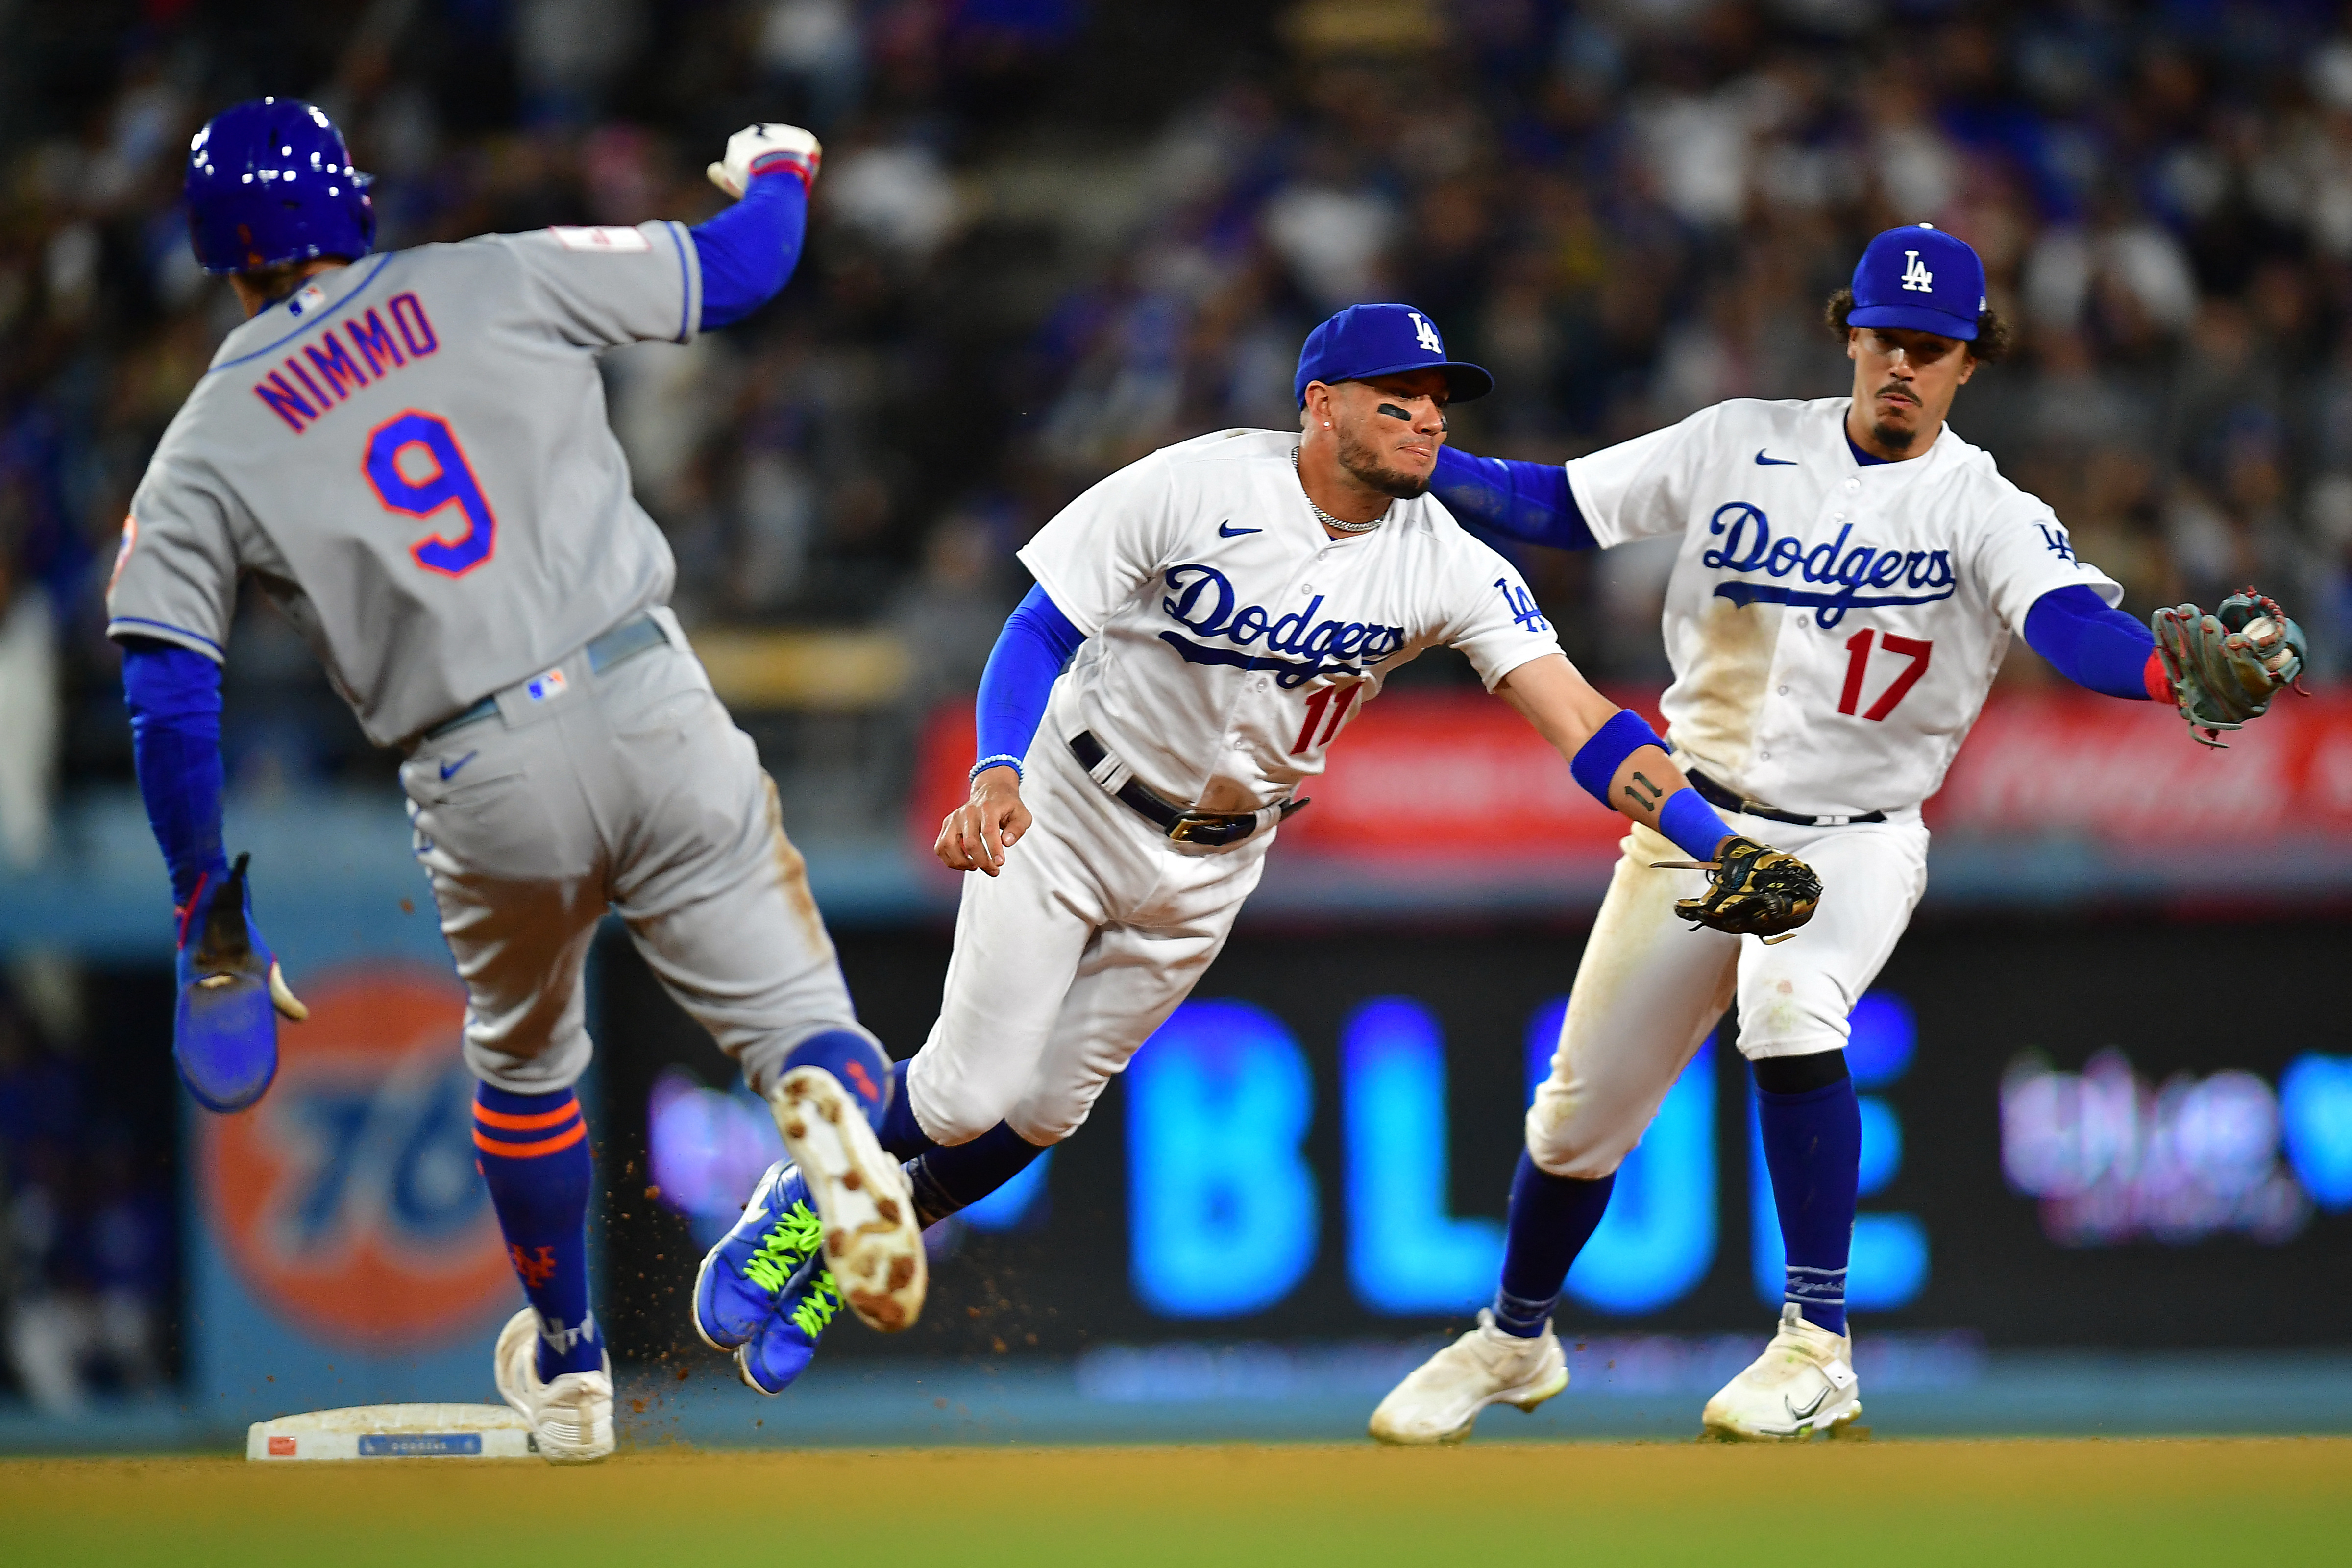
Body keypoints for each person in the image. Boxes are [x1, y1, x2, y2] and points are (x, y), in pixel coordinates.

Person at [691, 302, 1822, 1391]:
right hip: (1072, 806)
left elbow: (1580, 719)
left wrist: (1713, 841)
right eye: (1401, 398)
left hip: (1217, 861)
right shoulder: (1199, 483)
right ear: (1321, 406)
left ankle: (851, 1254)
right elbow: (1039, 623)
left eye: (1440, 399)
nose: (1430, 417)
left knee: (1042, 1114)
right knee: (960, 1097)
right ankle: (799, 1203)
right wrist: (995, 767)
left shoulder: (1448, 561)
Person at [1368, 224, 2305, 1444]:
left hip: (1850, 839)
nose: (1906, 362)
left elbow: (2070, 624)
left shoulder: (1984, 505)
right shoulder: (1738, 439)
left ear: (1973, 361)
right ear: (1849, 334)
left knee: (1791, 1006)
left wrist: (2167, 674)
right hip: (1691, 822)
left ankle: (1818, 1345)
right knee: (1575, 1118)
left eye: (1936, 345)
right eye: (1888, 336)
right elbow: (1557, 503)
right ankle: (1514, 1338)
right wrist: (1421, 460)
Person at [105, 98, 925, 1462]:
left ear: (214, 250)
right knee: (797, 1018)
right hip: (649, 688)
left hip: (476, 761)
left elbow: (167, 690)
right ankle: (823, 1108)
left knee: (526, 1060)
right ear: (351, 205)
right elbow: (742, 269)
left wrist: (203, 899)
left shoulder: (204, 443)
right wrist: (782, 167)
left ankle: (571, 1363)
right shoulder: (489, 272)